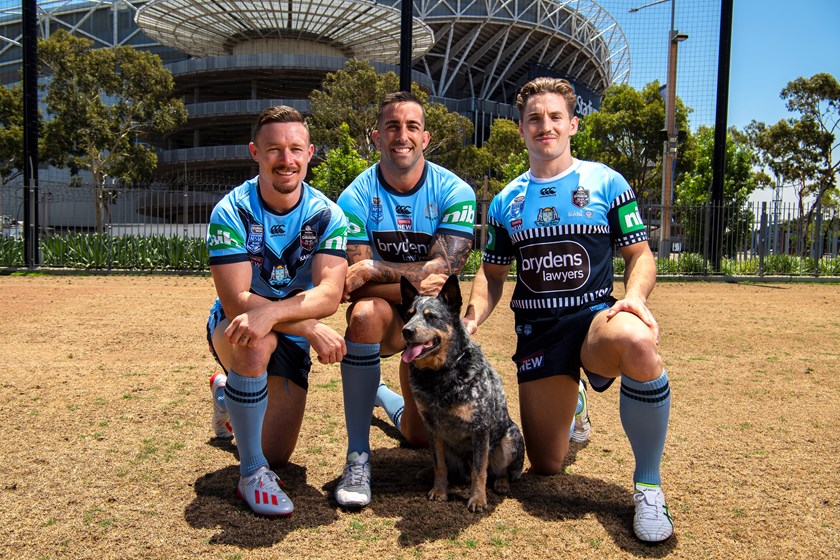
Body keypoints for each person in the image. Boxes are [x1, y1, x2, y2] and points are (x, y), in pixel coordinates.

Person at [462, 77, 674, 542]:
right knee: (545, 465)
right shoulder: (505, 202)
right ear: (520, 129)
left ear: (573, 124)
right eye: (534, 118)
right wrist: (473, 315)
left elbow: (639, 255)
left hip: (595, 321)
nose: (545, 126)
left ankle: (649, 487)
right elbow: (492, 274)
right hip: (540, 333)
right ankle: (573, 400)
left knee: (637, 341)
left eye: (555, 116)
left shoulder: (606, 183)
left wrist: (634, 298)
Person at [333, 91, 477, 508]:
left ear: (426, 137)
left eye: (412, 126)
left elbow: (442, 271)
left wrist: (376, 269)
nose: (402, 135)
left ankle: (380, 394)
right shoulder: (355, 196)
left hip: (431, 328)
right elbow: (353, 287)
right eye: (392, 126)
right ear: (376, 136)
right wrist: (412, 274)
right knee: (362, 315)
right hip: (388, 318)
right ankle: (358, 457)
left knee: (416, 438)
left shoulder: (455, 190)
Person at [205, 105, 348, 517]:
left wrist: (282, 317)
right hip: (236, 325)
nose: (285, 160)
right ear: (255, 152)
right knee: (255, 337)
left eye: (295, 149)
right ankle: (250, 474)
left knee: (280, 455)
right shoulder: (231, 211)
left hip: (284, 329)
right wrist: (305, 326)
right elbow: (237, 302)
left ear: (309, 153)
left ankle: (225, 393)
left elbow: (329, 294)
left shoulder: (327, 214)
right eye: (273, 150)